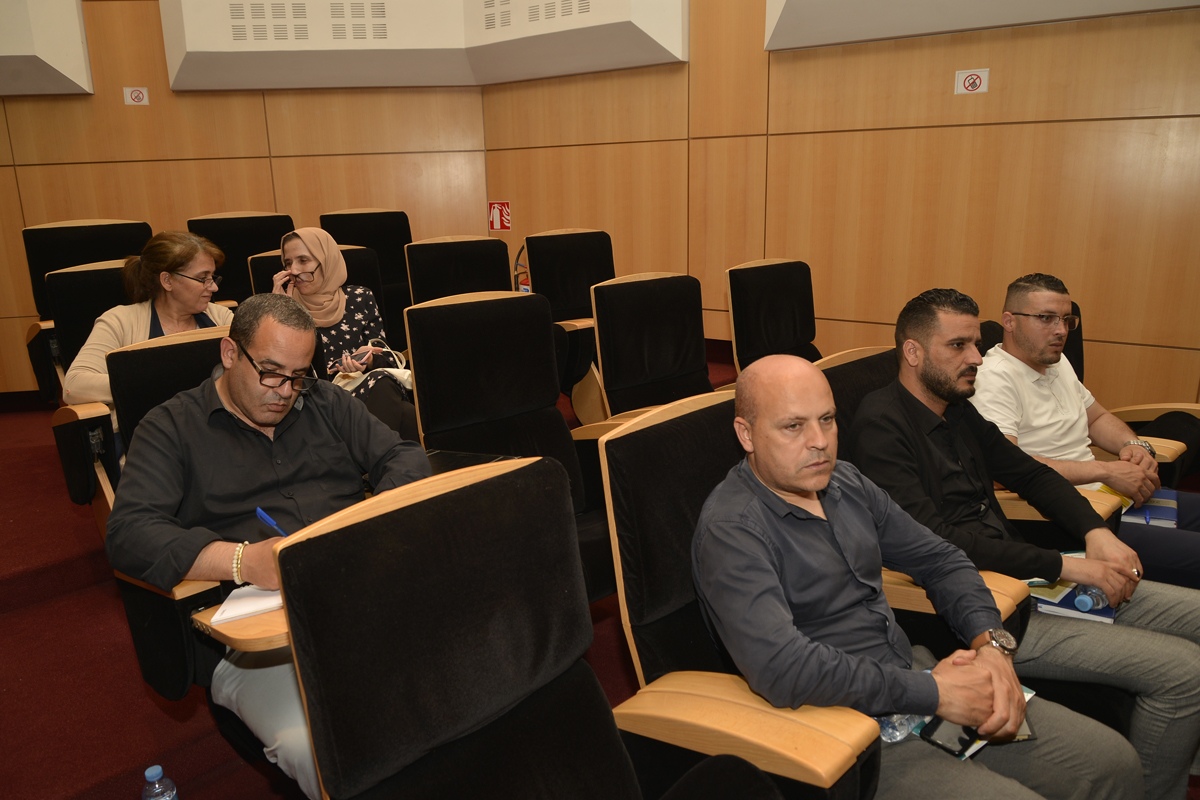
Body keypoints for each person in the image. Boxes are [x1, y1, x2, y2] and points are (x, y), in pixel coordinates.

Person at [693, 354, 1142, 800]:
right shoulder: (732, 530)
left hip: (918, 679)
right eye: (793, 426)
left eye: (827, 420)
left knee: (1111, 762)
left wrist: (991, 646)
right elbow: (783, 667)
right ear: (746, 434)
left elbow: (941, 559)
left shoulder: (846, 482)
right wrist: (932, 691)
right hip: (842, 728)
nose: (820, 442)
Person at [847, 288, 1200, 800]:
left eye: (976, 343)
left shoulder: (957, 409)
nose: (976, 357)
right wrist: (1065, 566)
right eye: (959, 346)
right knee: (1184, 672)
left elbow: (1030, 474)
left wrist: (1096, 534)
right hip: (979, 608)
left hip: (1029, 578)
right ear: (914, 352)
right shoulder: (881, 425)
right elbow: (939, 543)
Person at [105, 293, 432, 799]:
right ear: (230, 353)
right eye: (271, 373)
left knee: (456, 689)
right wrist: (242, 560)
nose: (285, 392)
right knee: (328, 747)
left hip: (358, 596)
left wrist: (366, 524)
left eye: (298, 376)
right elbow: (128, 532)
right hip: (258, 639)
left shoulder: (324, 402)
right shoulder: (171, 427)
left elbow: (404, 457)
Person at [970, 273, 1200, 589]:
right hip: (1064, 516)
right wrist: (1106, 470)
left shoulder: (1056, 361)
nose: (1061, 330)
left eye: (1066, 320)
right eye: (1046, 318)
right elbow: (1004, 471)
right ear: (1009, 321)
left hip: (1109, 496)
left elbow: (1096, 418)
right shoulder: (993, 381)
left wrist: (1132, 445)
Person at [271, 227, 414, 438]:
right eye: (288, 263)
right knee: (405, 413)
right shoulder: (282, 306)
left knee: (388, 389)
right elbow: (280, 370)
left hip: (367, 390)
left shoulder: (360, 297)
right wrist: (281, 310)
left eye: (303, 260)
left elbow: (388, 358)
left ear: (326, 260)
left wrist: (369, 360)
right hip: (317, 400)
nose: (293, 270)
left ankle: (363, 455)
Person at [63, 230, 234, 405]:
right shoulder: (119, 322)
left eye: (212, 277)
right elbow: (74, 386)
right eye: (202, 278)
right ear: (167, 281)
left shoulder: (221, 317)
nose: (214, 287)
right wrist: (155, 383)